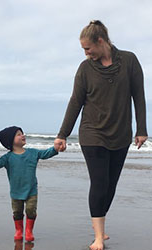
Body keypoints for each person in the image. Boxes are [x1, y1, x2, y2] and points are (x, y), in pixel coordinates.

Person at [54, 20, 148, 250]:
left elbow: (139, 96)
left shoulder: (129, 61)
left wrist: (142, 129)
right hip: (92, 133)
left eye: (88, 48)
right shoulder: (85, 69)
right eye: (83, 50)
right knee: (99, 183)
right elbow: (75, 102)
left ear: (101, 41)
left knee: (111, 185)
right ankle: (98, 235)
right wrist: (62, 134)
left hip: (120, 133)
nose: (86, 54)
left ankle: (99, 224)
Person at [0, 126, 59, 242]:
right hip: (15, 191)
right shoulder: (8, 157)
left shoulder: (32, 153)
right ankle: (19, 231)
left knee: (31, 210)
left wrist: (56, 148)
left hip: (31, 190)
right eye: (19, 134)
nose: (23, 136)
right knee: (17, 212)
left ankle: (29, 231)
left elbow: (45, 153)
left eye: (23, 133)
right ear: (11, 141)